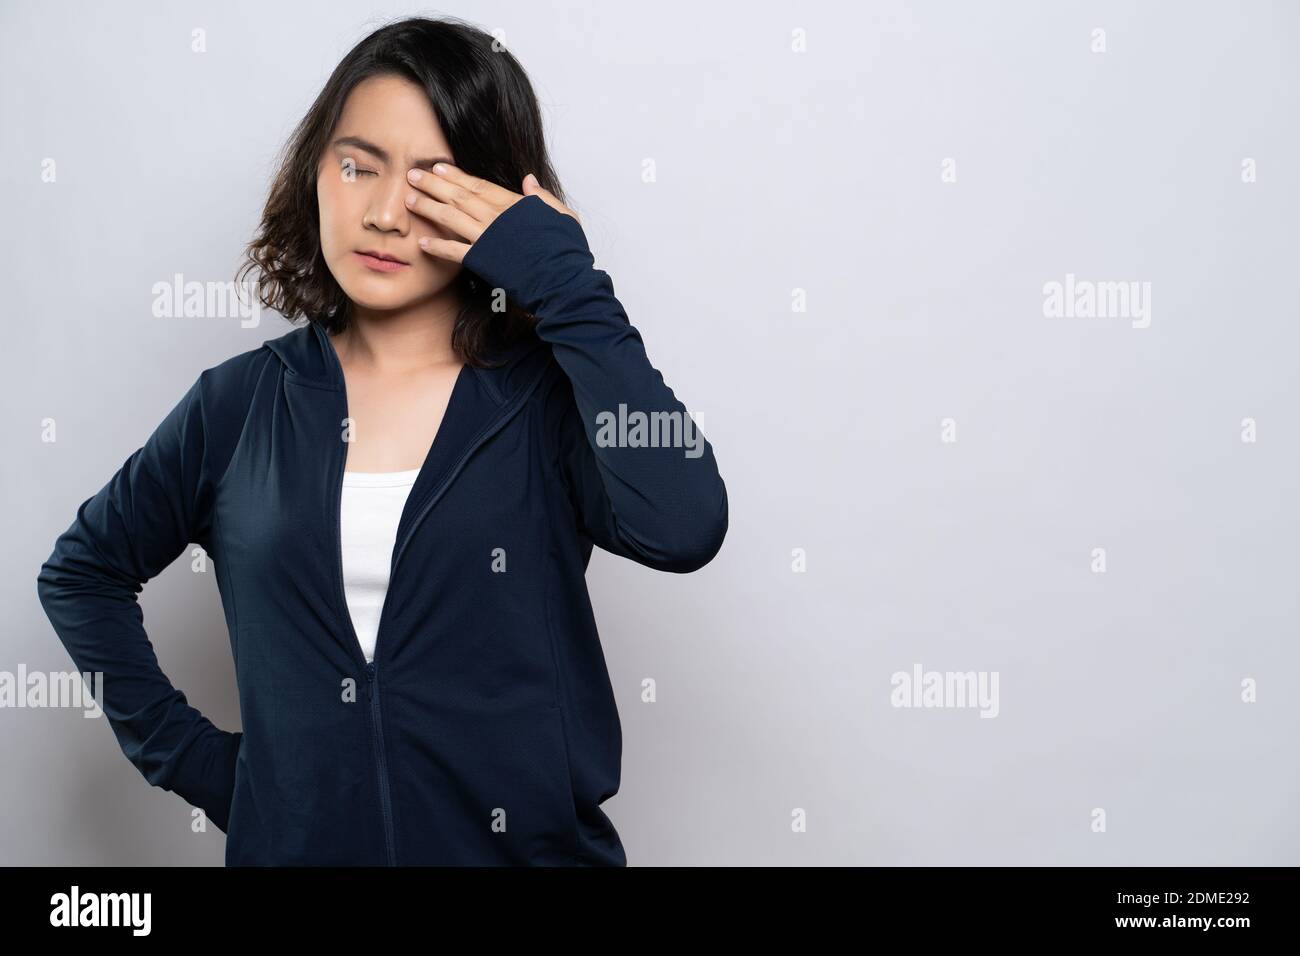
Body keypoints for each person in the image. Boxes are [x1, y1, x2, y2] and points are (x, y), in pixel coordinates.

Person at [36, 15, 728, 866]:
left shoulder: (545, 401)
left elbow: (686, 525)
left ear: (494, 204)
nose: (386, 212)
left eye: (434, 178)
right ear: (315, 175)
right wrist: (208, 767)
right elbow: (81, 573)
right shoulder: (239, 405)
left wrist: (564, 280)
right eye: (358, 164)